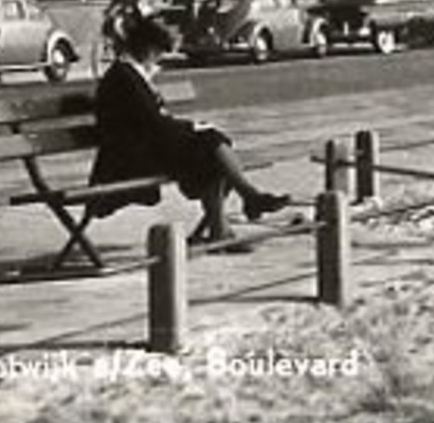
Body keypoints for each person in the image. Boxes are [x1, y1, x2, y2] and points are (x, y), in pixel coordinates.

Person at [87, 14, 290, 249]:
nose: (157, 59)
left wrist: (192, 129)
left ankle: (229, 220)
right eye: (157, 52)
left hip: (145, 148)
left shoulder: (131, 73)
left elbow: (153, 123)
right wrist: (192, 128)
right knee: (211, 145)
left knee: (210, 148)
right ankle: (241, 207)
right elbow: (152, 122)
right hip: (125, 159)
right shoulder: (124, 76)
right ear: (146, 48)